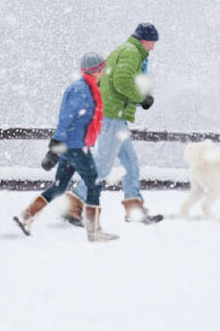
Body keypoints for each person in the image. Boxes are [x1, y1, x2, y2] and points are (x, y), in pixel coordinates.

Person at [14, 52, 118, 242]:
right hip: (75, 146)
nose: (103, 71)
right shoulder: (82, 90)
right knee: (94, 184)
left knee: (60, 186)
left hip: (71, 145)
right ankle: (94, 231)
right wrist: (56, 145)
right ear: (96, 70)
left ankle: (26, 216)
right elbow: (67, 118)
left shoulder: (86, 87)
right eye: (102, 68)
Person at [97, 22, 162, 224]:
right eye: (152, 42)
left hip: (114, 113)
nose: (153, 47)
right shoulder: (131, 52)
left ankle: (134, 208)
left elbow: (105, 79)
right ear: (144, 40)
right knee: (103, 166)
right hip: (112, 114)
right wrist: (140, 97)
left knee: (130, 163)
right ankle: (75, 201)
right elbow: (121, 81)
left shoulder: (128, 51)